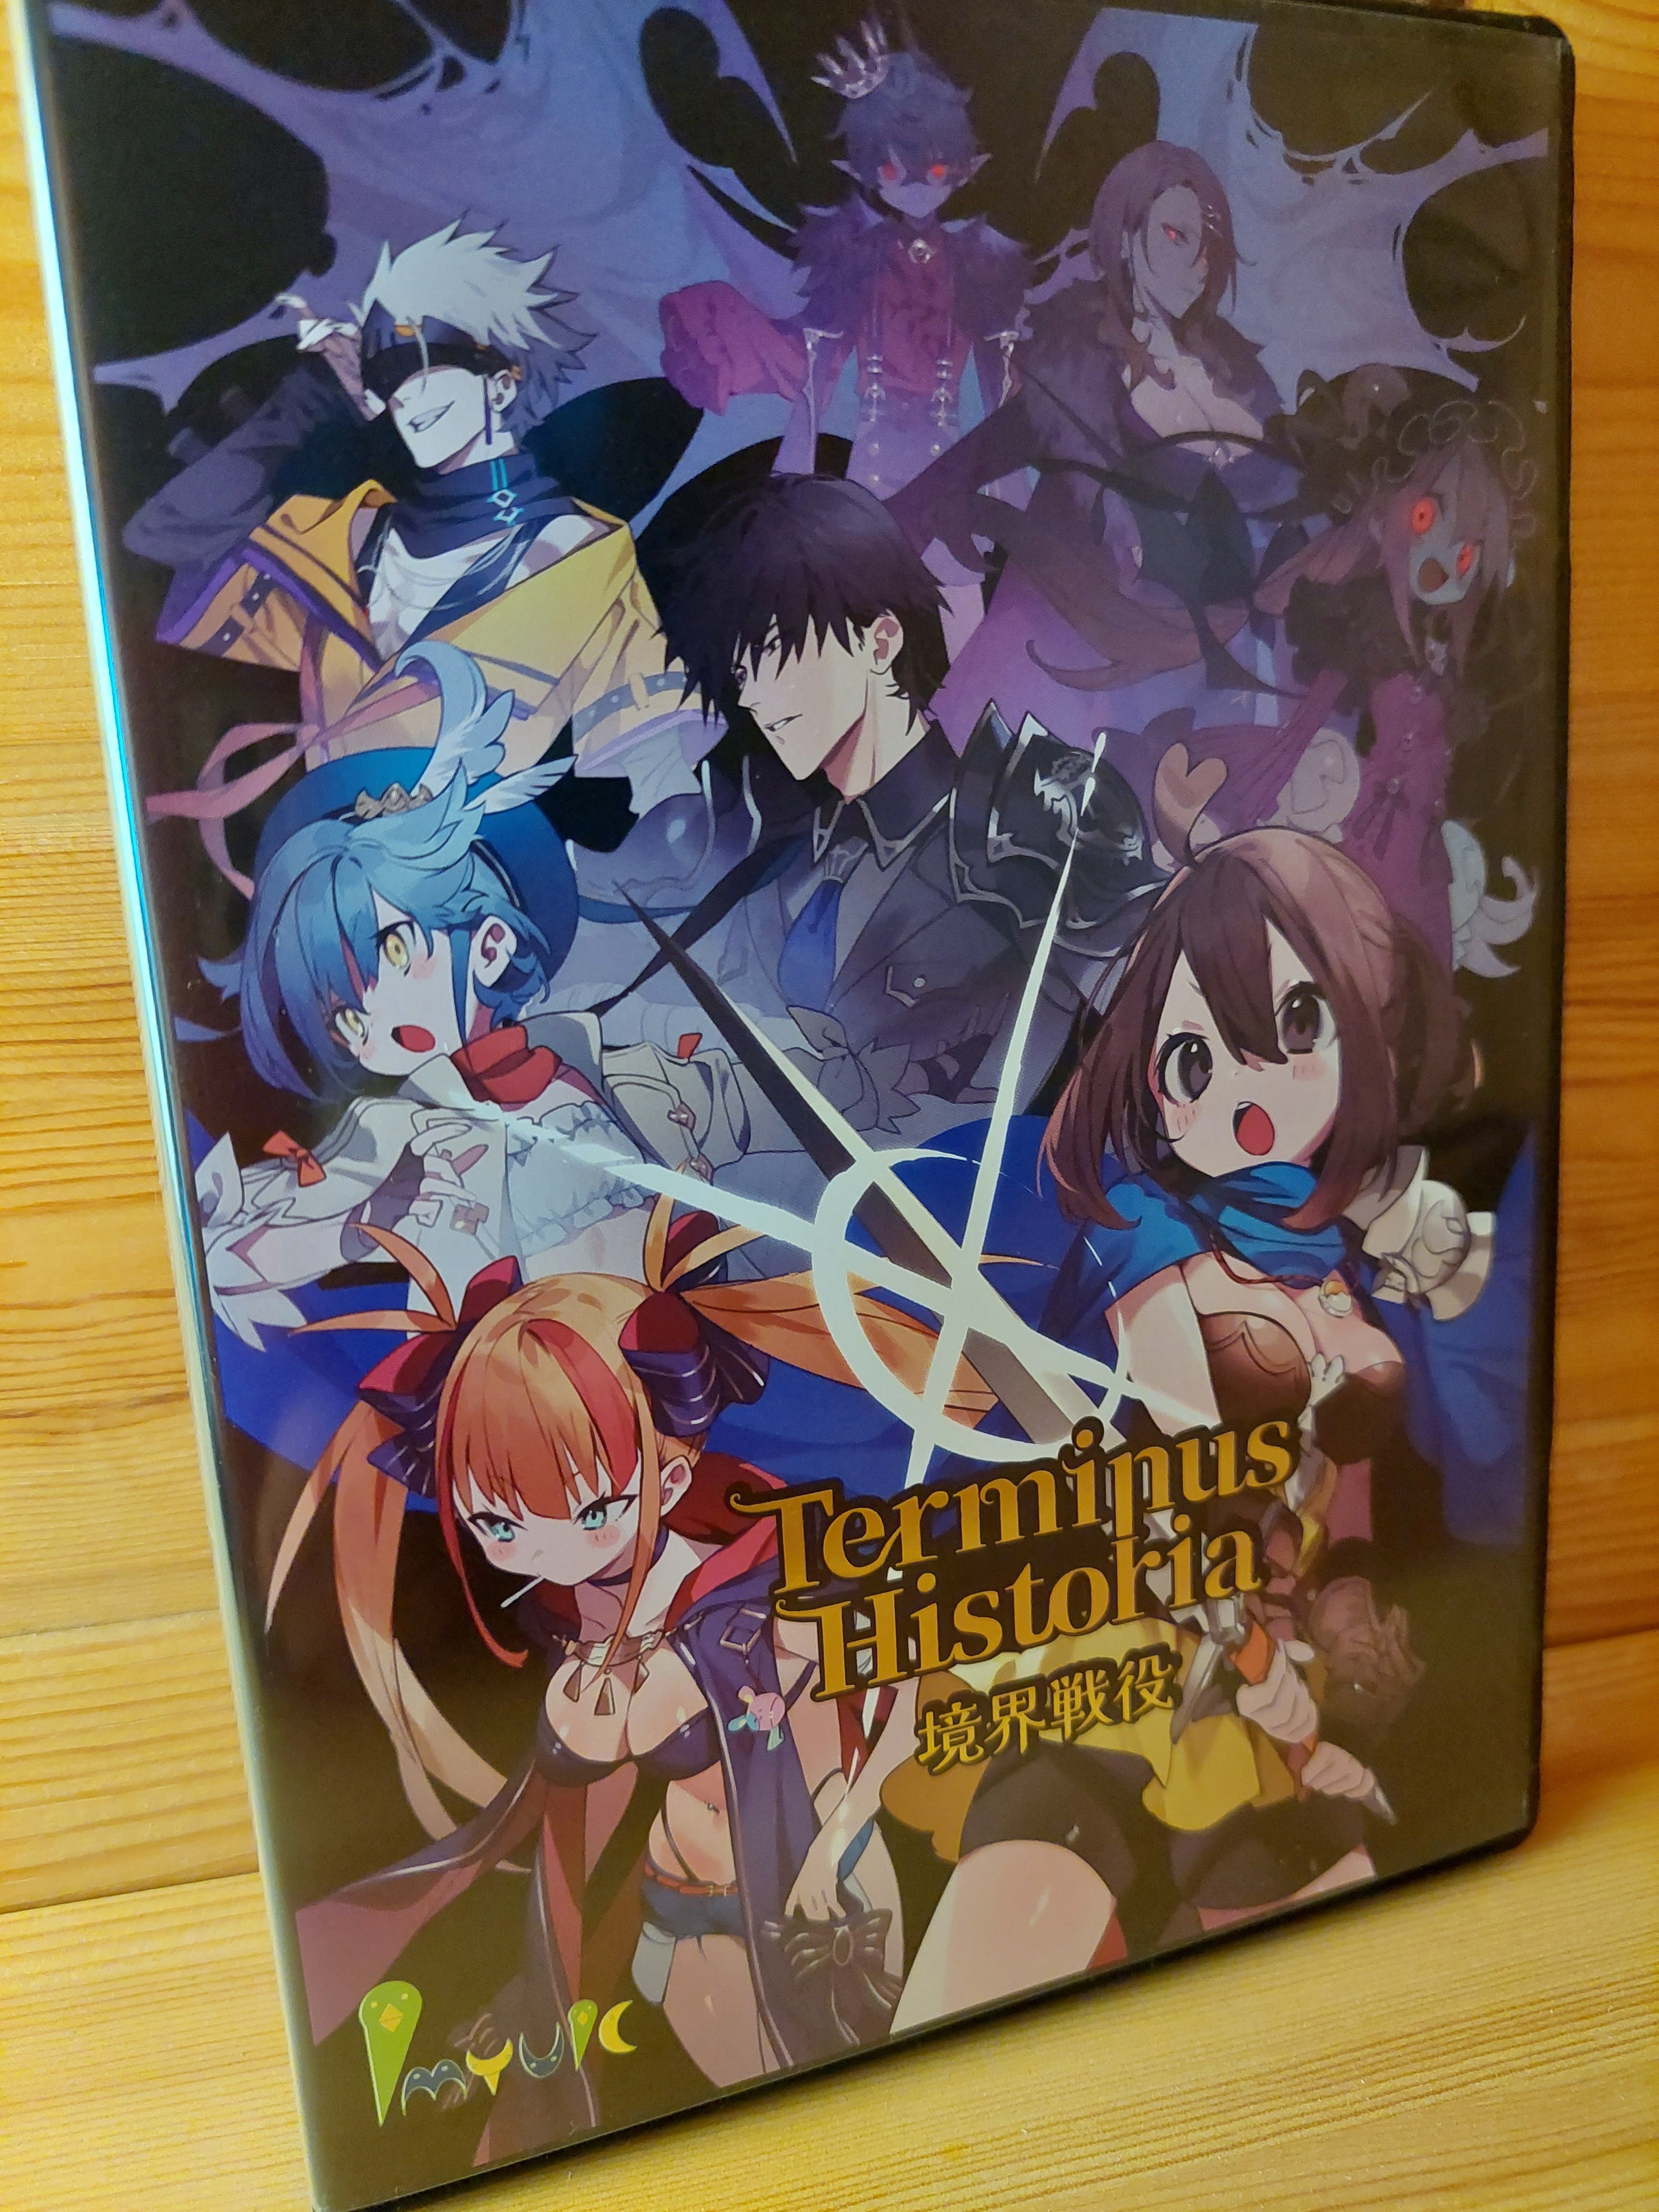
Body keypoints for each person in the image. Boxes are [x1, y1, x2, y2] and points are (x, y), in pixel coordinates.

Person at [884, 826, 1504, 2024]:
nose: (1245, 1094)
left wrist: (1327, 1616)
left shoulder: (1331, 1251)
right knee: (960, 2025)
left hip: (1255, 1683)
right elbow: (1179, 1488)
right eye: (1193, 1057)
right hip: (1120, 1655)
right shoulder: (1150, 1235)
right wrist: (1262, 1661)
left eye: (1298, 1024)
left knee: (1372, 2024)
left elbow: (1327, 1476)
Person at [276, 1201, 992, 2162]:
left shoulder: (759, 1593)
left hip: (821, 1896)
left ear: (674, 1468)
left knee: (862, 2113)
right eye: (500, 1523)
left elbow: (898, 1693)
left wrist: (838, 1842)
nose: (546, 1548)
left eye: (590, 1509)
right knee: (769, 2143)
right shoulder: (574, 1614)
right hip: (675, 1906)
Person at [194, 643, 755, 1347]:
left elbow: (742, 1108)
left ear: (490, 946)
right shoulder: (398, 1134)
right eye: (344, 1013)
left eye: (393, 952)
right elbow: (225, 1256)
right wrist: (364, 1221)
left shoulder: (595, 1061)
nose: (373, 1018)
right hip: (514, 1401)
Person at [128, 223, 701, 890]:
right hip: (328, 889)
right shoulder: (353, 539)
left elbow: (659, 789)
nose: (408, 400)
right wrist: (310, 401)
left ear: (501, 385)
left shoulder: (587, 561)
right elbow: (166, 538)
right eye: (389, 380)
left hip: (468, 902)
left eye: (428, 367)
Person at [641, 472, 1166, 1134]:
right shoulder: (781, 866)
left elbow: (1134, 1050)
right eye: (743, 672)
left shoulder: (1030, 822)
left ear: (881, 641)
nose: (753, 698)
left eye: (776, 654)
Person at [888, 141, 1289, 767]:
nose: (1199, 264)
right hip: (1051, 654)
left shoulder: (1241, 380)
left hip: (1184, 685)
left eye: (1210, 244)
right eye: (1177, 235)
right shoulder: (1073, 371)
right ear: (1126, 240)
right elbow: (945, 482)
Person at [659, 20, 1029, 649]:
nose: (917, 182)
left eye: (937, 166)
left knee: (961, 613)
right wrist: (793, 480)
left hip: (948, 465)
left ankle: (964, 709)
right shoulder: (858, 256)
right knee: (858, 619)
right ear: (867, 171)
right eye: (892, 166)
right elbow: (817, 367)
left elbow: (1005, 380)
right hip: (872, 469)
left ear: (964, 170)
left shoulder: (976, 262)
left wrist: (1010, 483)